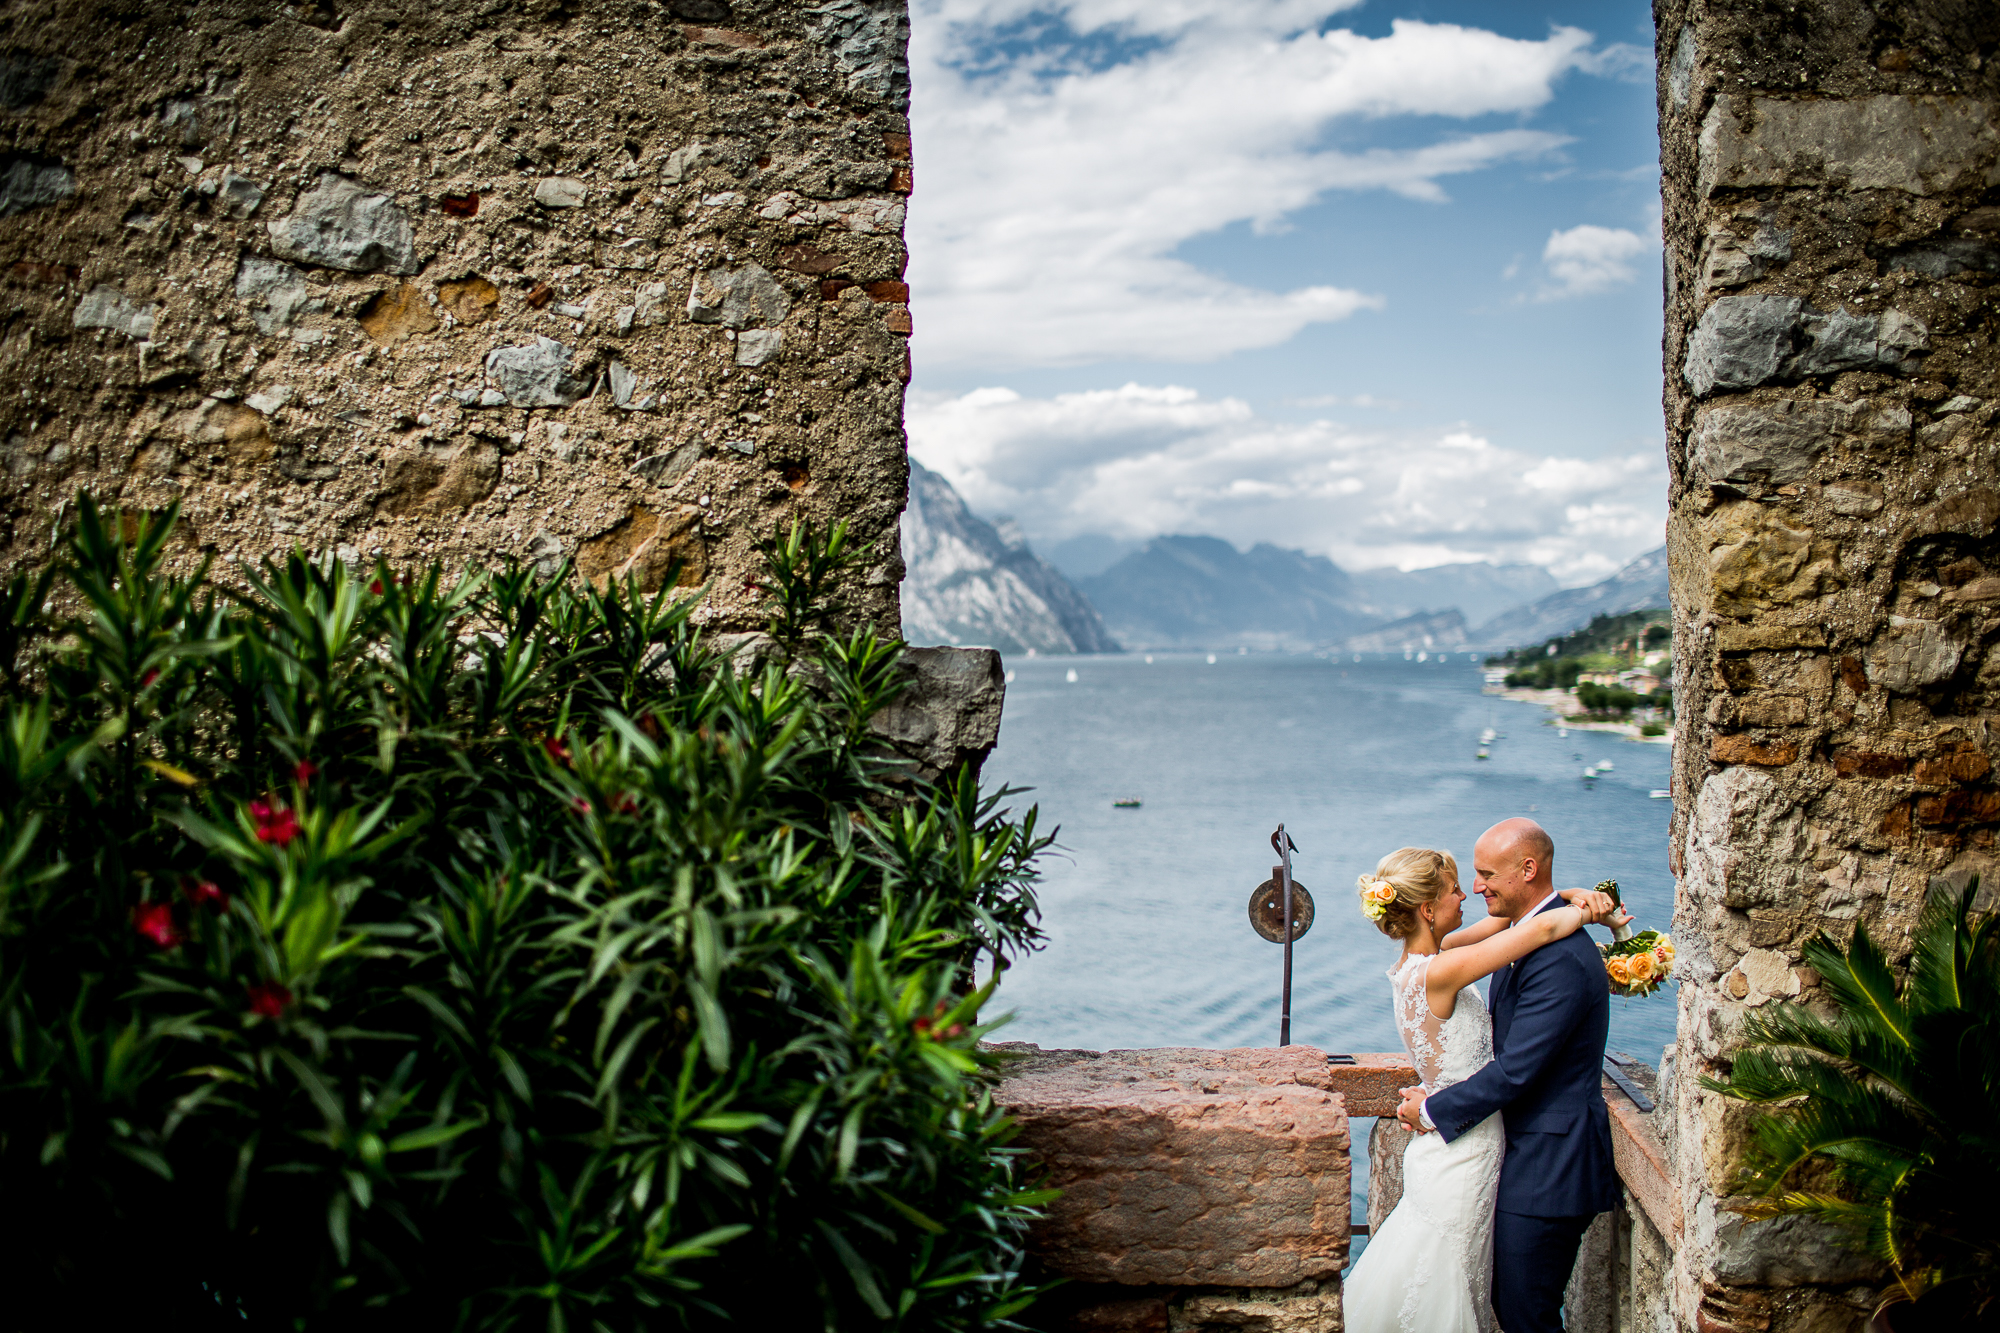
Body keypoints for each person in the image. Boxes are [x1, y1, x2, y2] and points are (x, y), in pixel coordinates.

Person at [1342, 833, 1623, 1333]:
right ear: (1428, 909)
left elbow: (1516, 922)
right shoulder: (1445, 967)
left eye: (1484, 877)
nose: (1469, 892)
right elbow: (1535, 931)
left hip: (1482, 1148)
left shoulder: (1428, 959)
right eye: (1456, 888)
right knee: (1461, 1291)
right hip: (1466, 1148)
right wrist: (1588, 909)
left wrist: (1571, 892)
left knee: (1472, 1291)